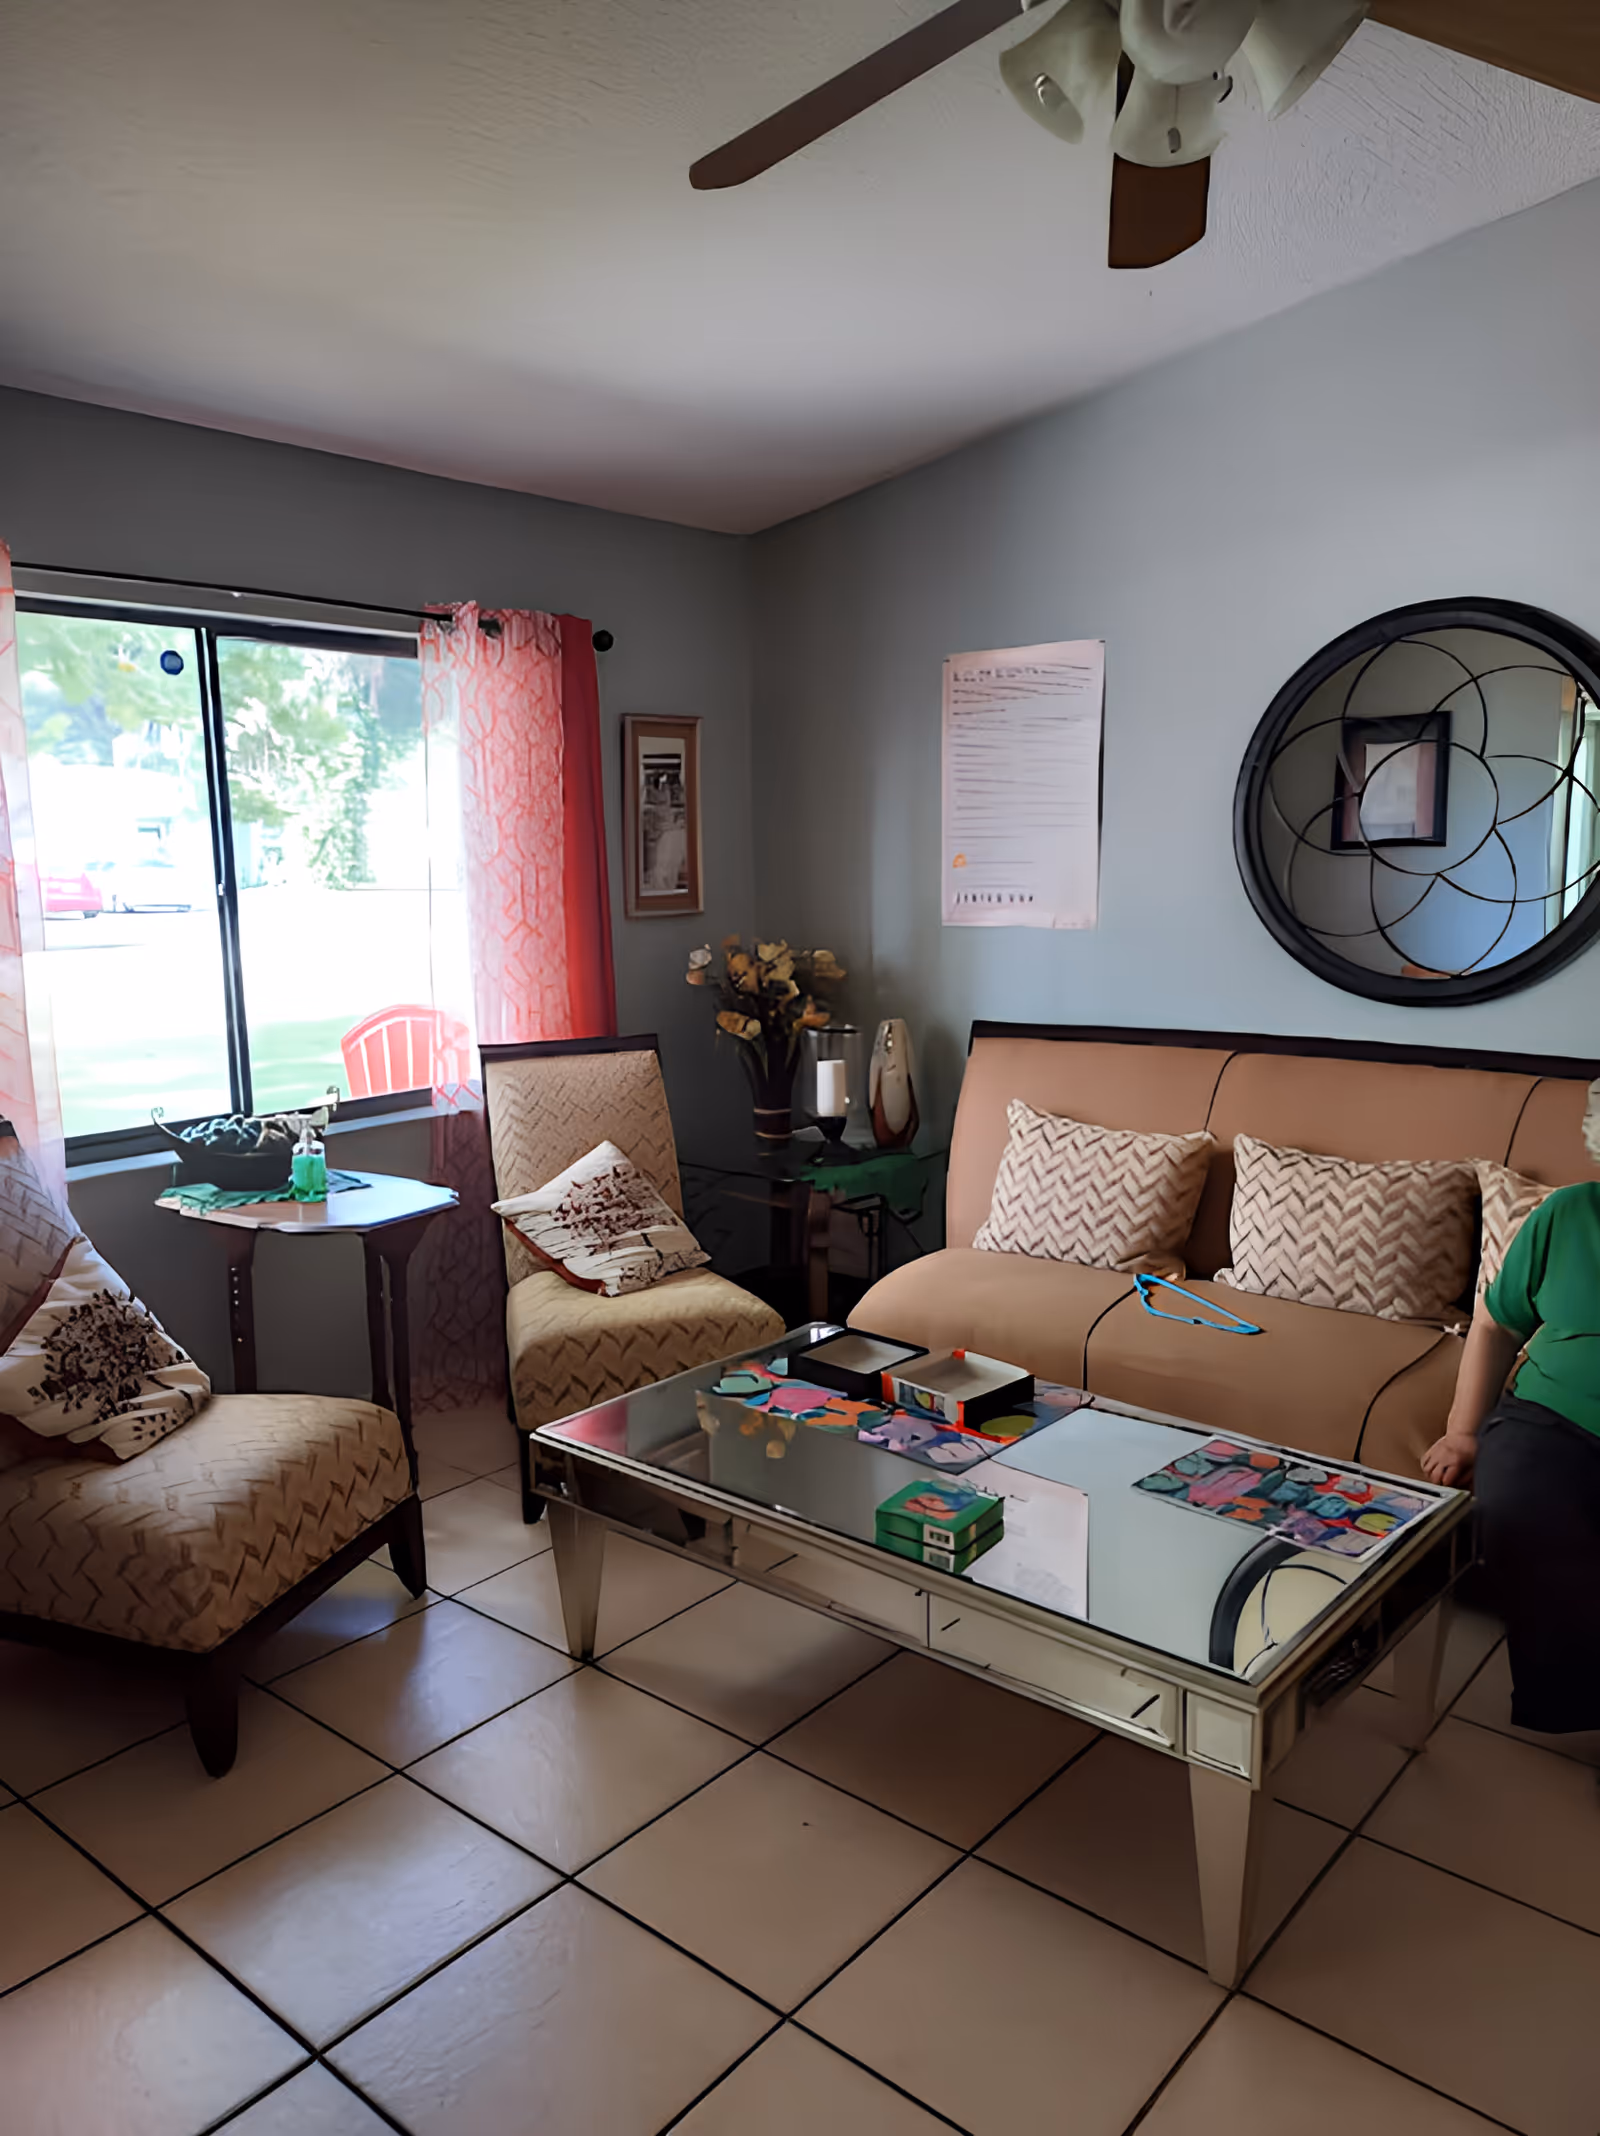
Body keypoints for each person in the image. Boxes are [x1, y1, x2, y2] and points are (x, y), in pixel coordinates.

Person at [1423, 1107, 1600, 1738]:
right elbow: (1497, 1324)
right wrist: (1462, 1431)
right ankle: (1568, 1703)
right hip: (1550, 1413)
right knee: (1521, 1503)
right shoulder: (1570, 1213)